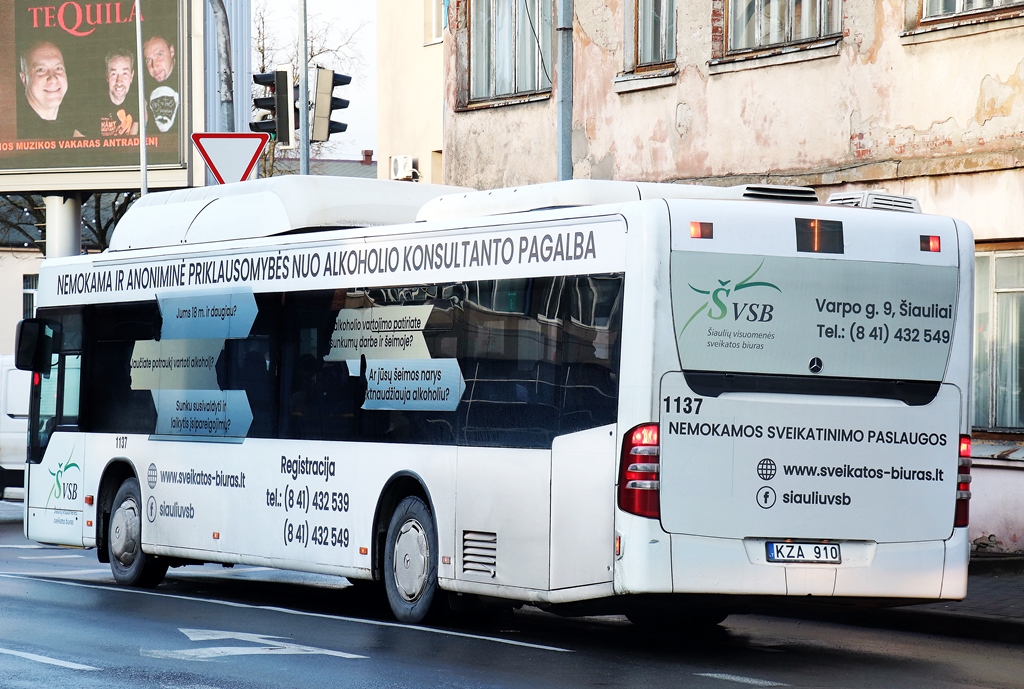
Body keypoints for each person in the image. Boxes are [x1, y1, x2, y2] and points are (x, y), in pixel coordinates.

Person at [17, 41, 83, 139]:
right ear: (24, 79)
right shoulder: (16, 131)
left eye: (58, 68)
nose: (52, 78)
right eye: (41, 70)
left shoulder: (77, 126)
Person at [96, 49, 139, 137]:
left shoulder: (138, 104)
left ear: (132, 76)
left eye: (125, 73)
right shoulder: (93, 107)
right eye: (114, 74)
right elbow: (76, 144)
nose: (119, 81)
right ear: (107, 76)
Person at [143, 34, 179, 135]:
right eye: (148, 60)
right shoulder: (143, 86)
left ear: (171, 51)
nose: (154, 66)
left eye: (159, 55)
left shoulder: (188, 78)